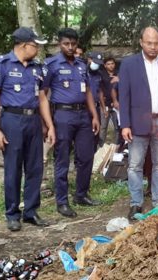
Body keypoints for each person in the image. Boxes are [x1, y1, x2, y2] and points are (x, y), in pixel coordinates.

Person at [0, 27, 55, 231]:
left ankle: (30, 211)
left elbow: (42, 99)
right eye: (35, 45)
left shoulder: (37, 68)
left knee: (35, 168)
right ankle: (12, 214)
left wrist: (50, 125)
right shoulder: (2, 64)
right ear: (23, 45)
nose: (38, 49)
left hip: (33, 121)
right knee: (13, 169)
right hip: (11, 120)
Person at [119, 27, 158, 221]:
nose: (153, 47)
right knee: (135, 165)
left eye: (156, 43)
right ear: (141, 42)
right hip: (137, 123)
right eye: (149, 43)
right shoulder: (129, 64)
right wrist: (125, 124)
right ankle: (136, 203)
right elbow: (124, 95)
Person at [43, 28, 101, 218]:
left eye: (73, 44)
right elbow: (42, 95)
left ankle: (81, 195)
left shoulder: (82, 65)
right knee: (62, 159)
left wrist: (94, 116)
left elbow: (88, 92)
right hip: (62, 116)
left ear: (77, 45)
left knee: (86, 157)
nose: (69, 47)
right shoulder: (51, 64)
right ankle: (62, 202)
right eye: (66, 44)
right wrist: (47, 123)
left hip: (83, 115)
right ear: (59, 44)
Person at [86, 51, 106, 151]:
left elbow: (100, 92)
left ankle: (93, 155)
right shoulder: (82, 73)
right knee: (85, 134)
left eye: (98, 64)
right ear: (89, 59)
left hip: (96, 107)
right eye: (95, 62)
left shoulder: (99, 75)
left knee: (96, 133)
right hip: (84, 108)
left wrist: (103, 108)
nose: (96, 65)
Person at [99, 57, 120, 147]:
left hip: (117, 105)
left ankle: (117, 147)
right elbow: (100, 92)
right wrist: (103, 107)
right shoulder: (101, 75)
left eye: (112, 63)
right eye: (108, 64)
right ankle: (100, 147)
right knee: (103, 127)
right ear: (104, 65)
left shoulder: (119, 74)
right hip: (105, 104)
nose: (111, 66)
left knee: (117, 127)